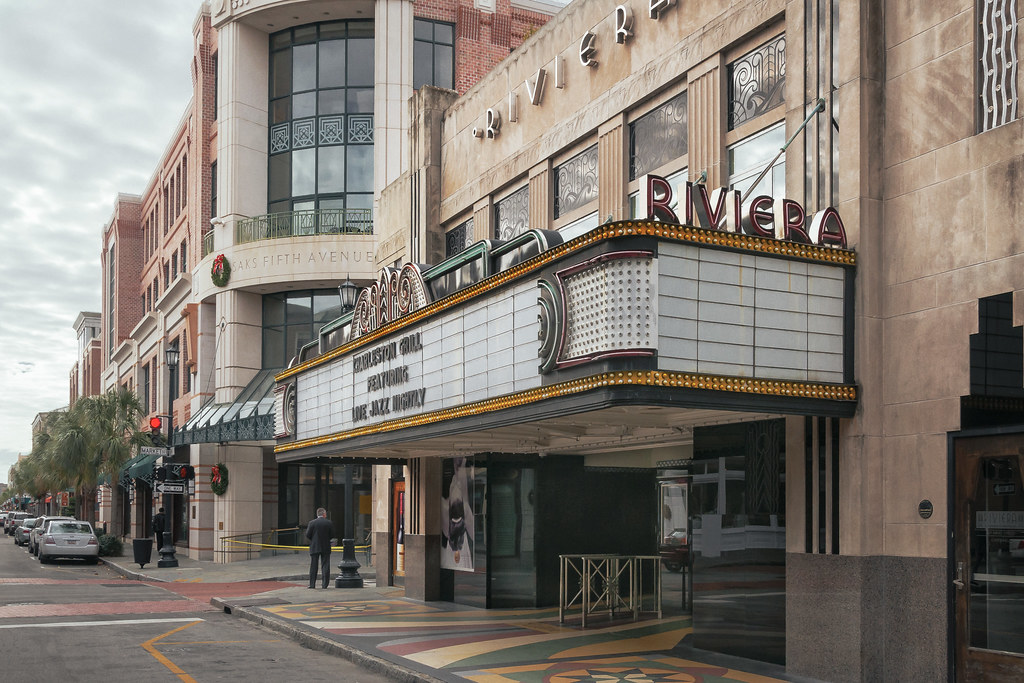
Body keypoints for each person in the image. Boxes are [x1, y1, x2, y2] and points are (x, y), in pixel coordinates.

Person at [305, 507, 335, 589]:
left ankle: (312, 584)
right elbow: (332, 534)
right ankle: (325, 584)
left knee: (313, 566)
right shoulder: (329, 523)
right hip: (325, 546)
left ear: (317, 514)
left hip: (315, 546)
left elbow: (308, 534)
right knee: (325, 565)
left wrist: (314, 540)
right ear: (324, 514)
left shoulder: (312, 523)